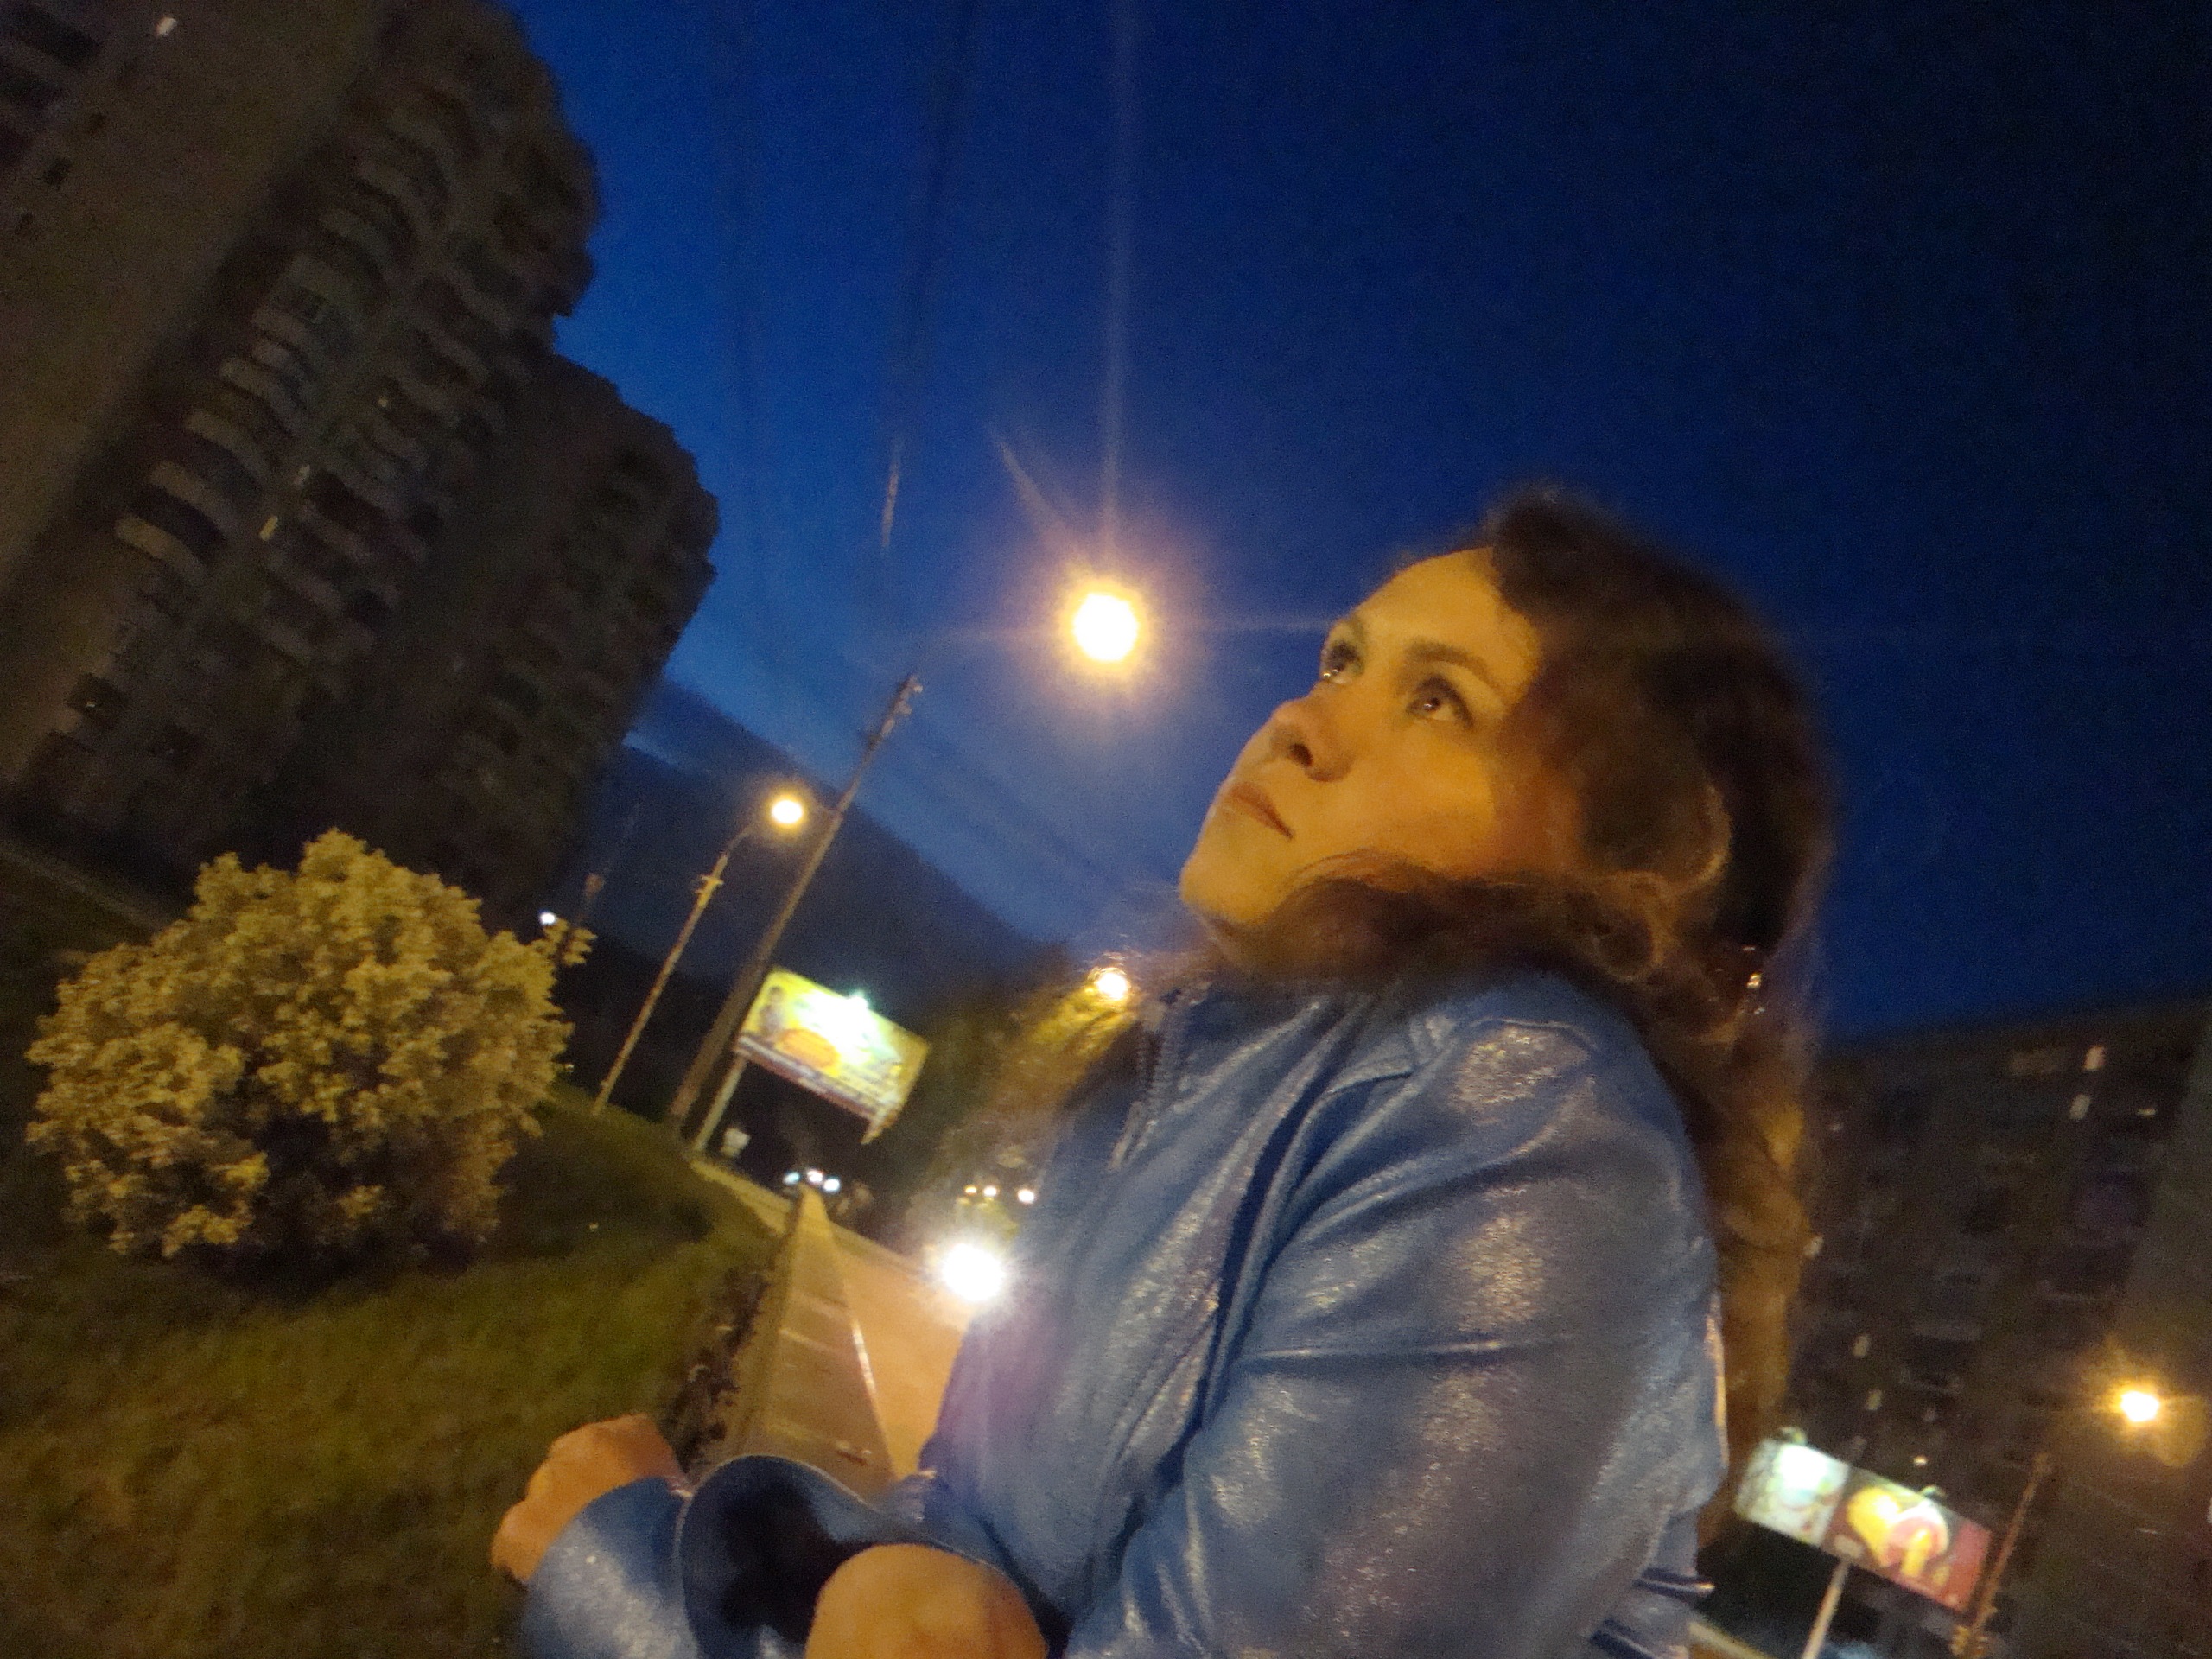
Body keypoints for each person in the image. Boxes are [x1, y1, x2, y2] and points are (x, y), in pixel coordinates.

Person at [491, 488, 1830, 1659]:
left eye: (1439, 700)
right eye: (1342, 659)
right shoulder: (1187, 1077)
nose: (1303, 721)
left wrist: (612, 1564)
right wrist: (858, 1575)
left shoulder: (1530, 1116)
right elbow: (962, 1530)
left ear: (1636, 878)